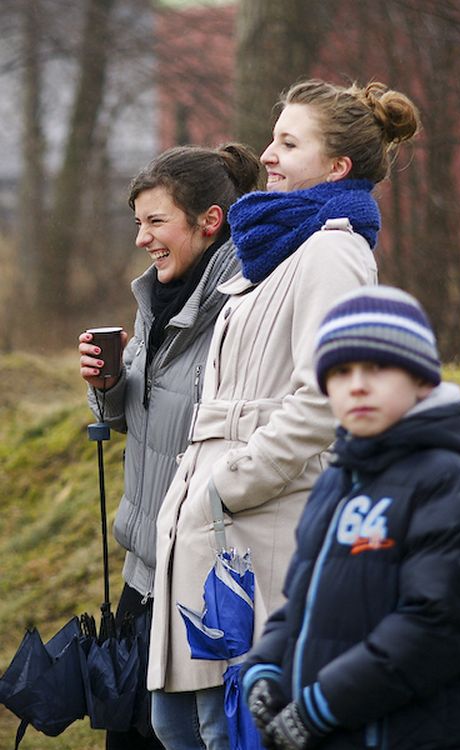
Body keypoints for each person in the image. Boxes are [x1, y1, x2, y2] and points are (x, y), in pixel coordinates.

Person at [148, 80, 420, 750]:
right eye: (274, 138)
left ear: (337, 167)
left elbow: (327, 396)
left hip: (259, 526)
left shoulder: (333, 252)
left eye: (289, 144)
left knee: (226, 728)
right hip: (213, 525)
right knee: (177, 723)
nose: (267, 155)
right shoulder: (276, 248)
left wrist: (229, 485)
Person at [242, 285, 460, 750]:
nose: (357, 385)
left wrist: (320, 706)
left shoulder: (446, 479)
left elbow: (434, 626)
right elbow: (300, 602)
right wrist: (264, 667)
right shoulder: (335, 480)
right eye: (340, 372)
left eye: (377, 368)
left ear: (422, 380)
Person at [78, 142, 261, 749]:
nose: (142, 239)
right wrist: (107, 385)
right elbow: (130, 417)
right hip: (142, 569)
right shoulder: (156, 298)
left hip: (199, 581)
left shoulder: (241, 311)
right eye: (139, 223)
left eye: (156, 221)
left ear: (210, 220)